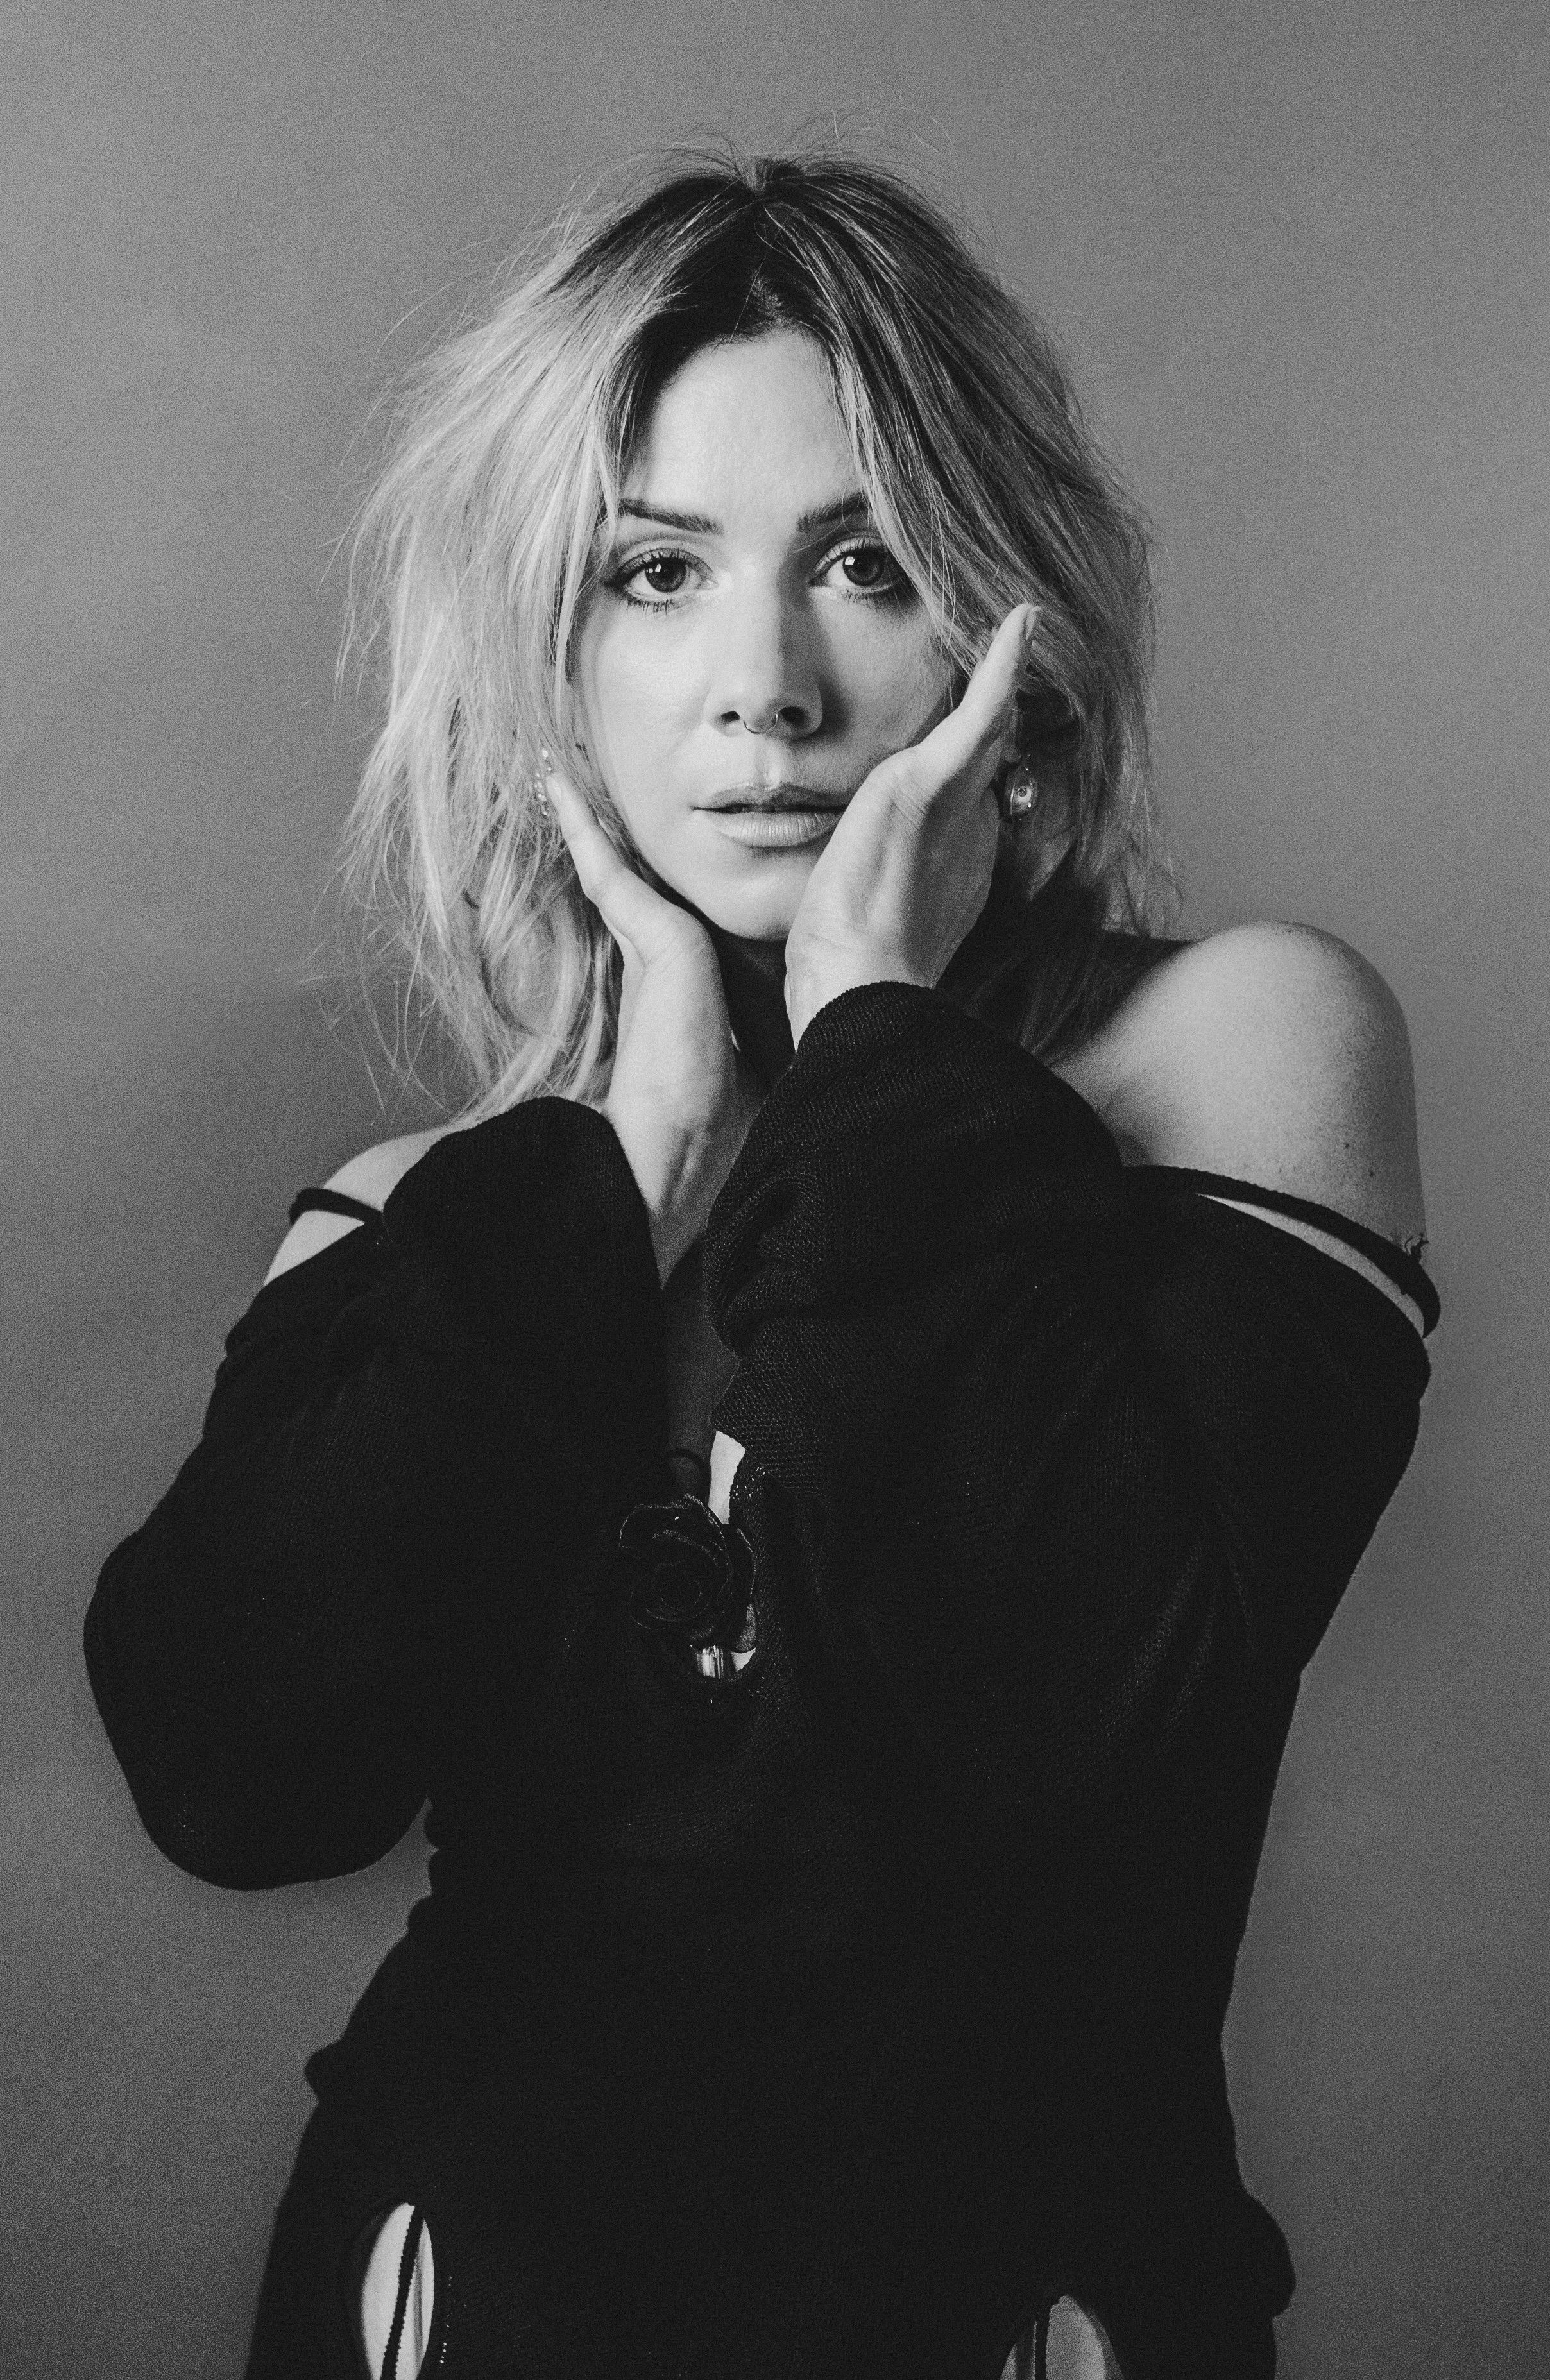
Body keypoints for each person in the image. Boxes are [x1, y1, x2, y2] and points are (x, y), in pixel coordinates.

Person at [83, 148, 1436, 2380]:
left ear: (1020, 638)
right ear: (550, 662)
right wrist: (622, 1165)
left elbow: (1084, 1720)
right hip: (442, 2309)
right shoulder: (440, 1202)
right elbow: (244, 1780)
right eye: (654, 573)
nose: (764, 688)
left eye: (867, 563)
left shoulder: (1238, 1046)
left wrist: (877, 1038)